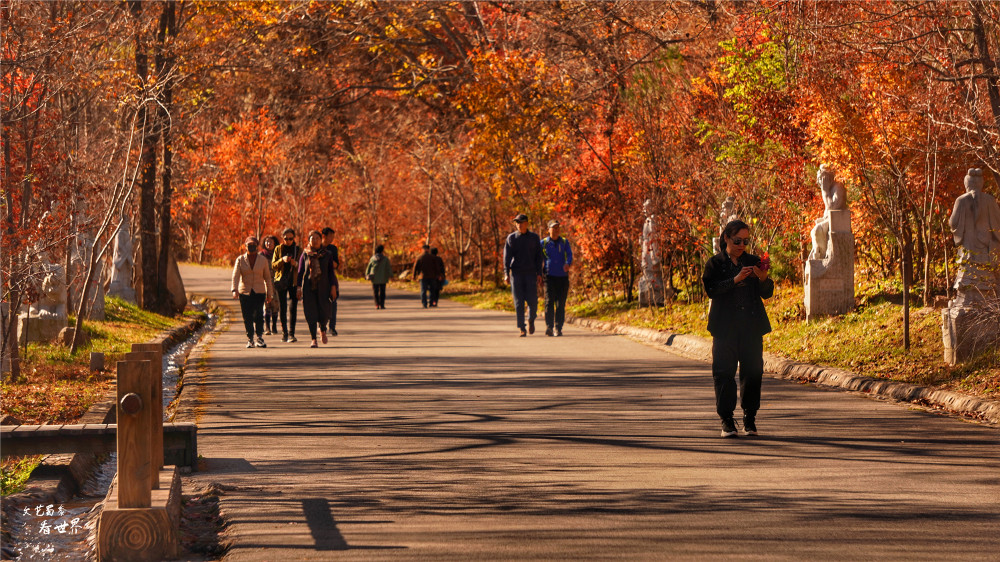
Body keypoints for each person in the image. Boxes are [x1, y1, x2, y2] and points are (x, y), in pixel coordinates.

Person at [702, 219, 774, 438]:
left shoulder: (753, 261)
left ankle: (749, 419)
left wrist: (762, 278)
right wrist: (735, 279)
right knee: (724, 374)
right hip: (724, 329)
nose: (742, 244)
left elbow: (767, 292)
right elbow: (711, 290)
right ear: (726, 238)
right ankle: (726, 421)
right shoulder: (715, 264)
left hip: (751, 327)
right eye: (737, 240)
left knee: (753, 373)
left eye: (745, 240)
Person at [503, 213, 543, 337]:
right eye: (517, 223)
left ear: (526, 223)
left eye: (521, 222)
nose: (518, 225)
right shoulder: (511, 238)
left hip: (531, 273)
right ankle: (521, 327)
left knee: (532, 301)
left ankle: (531, 319)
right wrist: (506, 273)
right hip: (516, 274)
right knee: (519, 302)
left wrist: (539, 273)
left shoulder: (534, 238)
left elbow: (538, 257)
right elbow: (507, 257)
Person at [231, 236, 275, 349]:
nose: (251, 247)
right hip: (244, 292)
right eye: (249, 245)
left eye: (253, 245)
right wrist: (234, 289)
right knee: (247, 317)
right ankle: (250, 338)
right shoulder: (240, 260)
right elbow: (235, 276)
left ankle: (259, 337)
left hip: (259, 291)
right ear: (245, 247)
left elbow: (267, 278)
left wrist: (270, 293)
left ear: (257, 246)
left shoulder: (263, 260)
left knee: (259, 315)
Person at [296, 230, 337, 348]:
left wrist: (333, 287)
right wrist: (298, 288)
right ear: (308, 240)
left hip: (324, 287)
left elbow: (331, 272)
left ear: (321, 240)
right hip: (309, 287)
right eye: (312, 238)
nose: (314, 240)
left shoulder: (327, 254)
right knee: (311, 313)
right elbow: (300, 272)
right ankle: (313, 338)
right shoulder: (305, 254)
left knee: (325, 312)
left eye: (317, 238)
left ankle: (323, 329)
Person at [541, 220, 573, 337]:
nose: (556, 230)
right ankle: (549, 327)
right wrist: (539, 272)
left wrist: (567, 263)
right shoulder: (543, 243)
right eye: (553, 228)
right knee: (549, 302)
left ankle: (558, 328)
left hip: (563, 278)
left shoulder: (564, 242)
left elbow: (569, 255)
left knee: (560, 304)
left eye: (558, 228)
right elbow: (537, 258)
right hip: (549, 277)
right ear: (548, 229)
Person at [271, 228, 302, 342]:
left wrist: (295, 263)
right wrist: (282, 260)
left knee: (293, 308)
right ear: (282, 238)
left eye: (290, 238)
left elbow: (302, 267)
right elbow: (273, 265)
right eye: (285, 239)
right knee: (282, 307)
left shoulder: (298, 250)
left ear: (294, 238)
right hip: (281, 281)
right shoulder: (278, 249)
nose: (288, 241)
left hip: (293, 282)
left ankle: (291, 333)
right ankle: (284, 334)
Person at [321, 227, 340, 336]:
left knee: (333, 302)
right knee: (321, 303)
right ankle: (322, 326)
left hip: (331, 277)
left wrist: (327, 259)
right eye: (330, 236)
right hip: (319, 278)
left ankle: (332, 327)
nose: (332, 238)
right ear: (324, 236)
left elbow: (336, 265)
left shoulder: (333, 249)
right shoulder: (316, 247)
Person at [261, 235, 280, 335]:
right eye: (267, 242)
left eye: (271, 242)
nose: (268, 244)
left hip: (276, 282)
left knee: (275, 305)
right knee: (266, 304)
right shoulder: (261, 255)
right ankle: (267, 327)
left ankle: (274, 326)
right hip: (264, 282)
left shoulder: (278, 255)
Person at [366, 244, 393, 309]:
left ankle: (377, 304)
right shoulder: (385, 259)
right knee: (382, 292)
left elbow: (369, 267)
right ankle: (382, 305)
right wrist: (391, 275)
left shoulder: (372, 258)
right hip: (383, 278)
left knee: (375, 292)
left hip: (374, 278)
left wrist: (367, 274)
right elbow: (388, 268)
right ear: (382, 251)